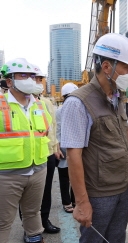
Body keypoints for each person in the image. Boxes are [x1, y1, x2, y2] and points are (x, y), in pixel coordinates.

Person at [61, 33, 128, 243]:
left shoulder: (117, 98)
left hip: (123, 188)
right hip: (99, 194)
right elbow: (74, 156)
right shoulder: (78, 103)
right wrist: (82, 202)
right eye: (126, 67)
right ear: (106, 67)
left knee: (116, 238)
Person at [0, 58, 52, 243]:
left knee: (32, 212)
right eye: (23, 75)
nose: (29, 79)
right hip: (7, 174)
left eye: (31, 75)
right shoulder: (1, 103)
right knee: (3, 221)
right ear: (9, 81)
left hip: (37, 169)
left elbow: (44, 131)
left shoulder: (39, 104)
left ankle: (34, 238)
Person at [31, 64, 61, 234]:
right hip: (28, 156)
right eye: (34, 78)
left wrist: (55, 147)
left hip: (47, 154)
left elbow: (53, 126)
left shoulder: (47, 103)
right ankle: (30, 227)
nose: (37, 82)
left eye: (39, 79)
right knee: (30, 195)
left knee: (46, 190)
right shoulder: (18, 103)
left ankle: (44, 221)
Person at [56, 82, 78, 213]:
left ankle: (75, 200)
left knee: (76, 175)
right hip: (65, 147)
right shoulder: (60, 111)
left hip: (77, 147)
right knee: (64, 177)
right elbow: (58, 129)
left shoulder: (79, 108)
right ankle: (67, 202)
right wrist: (58, 147)